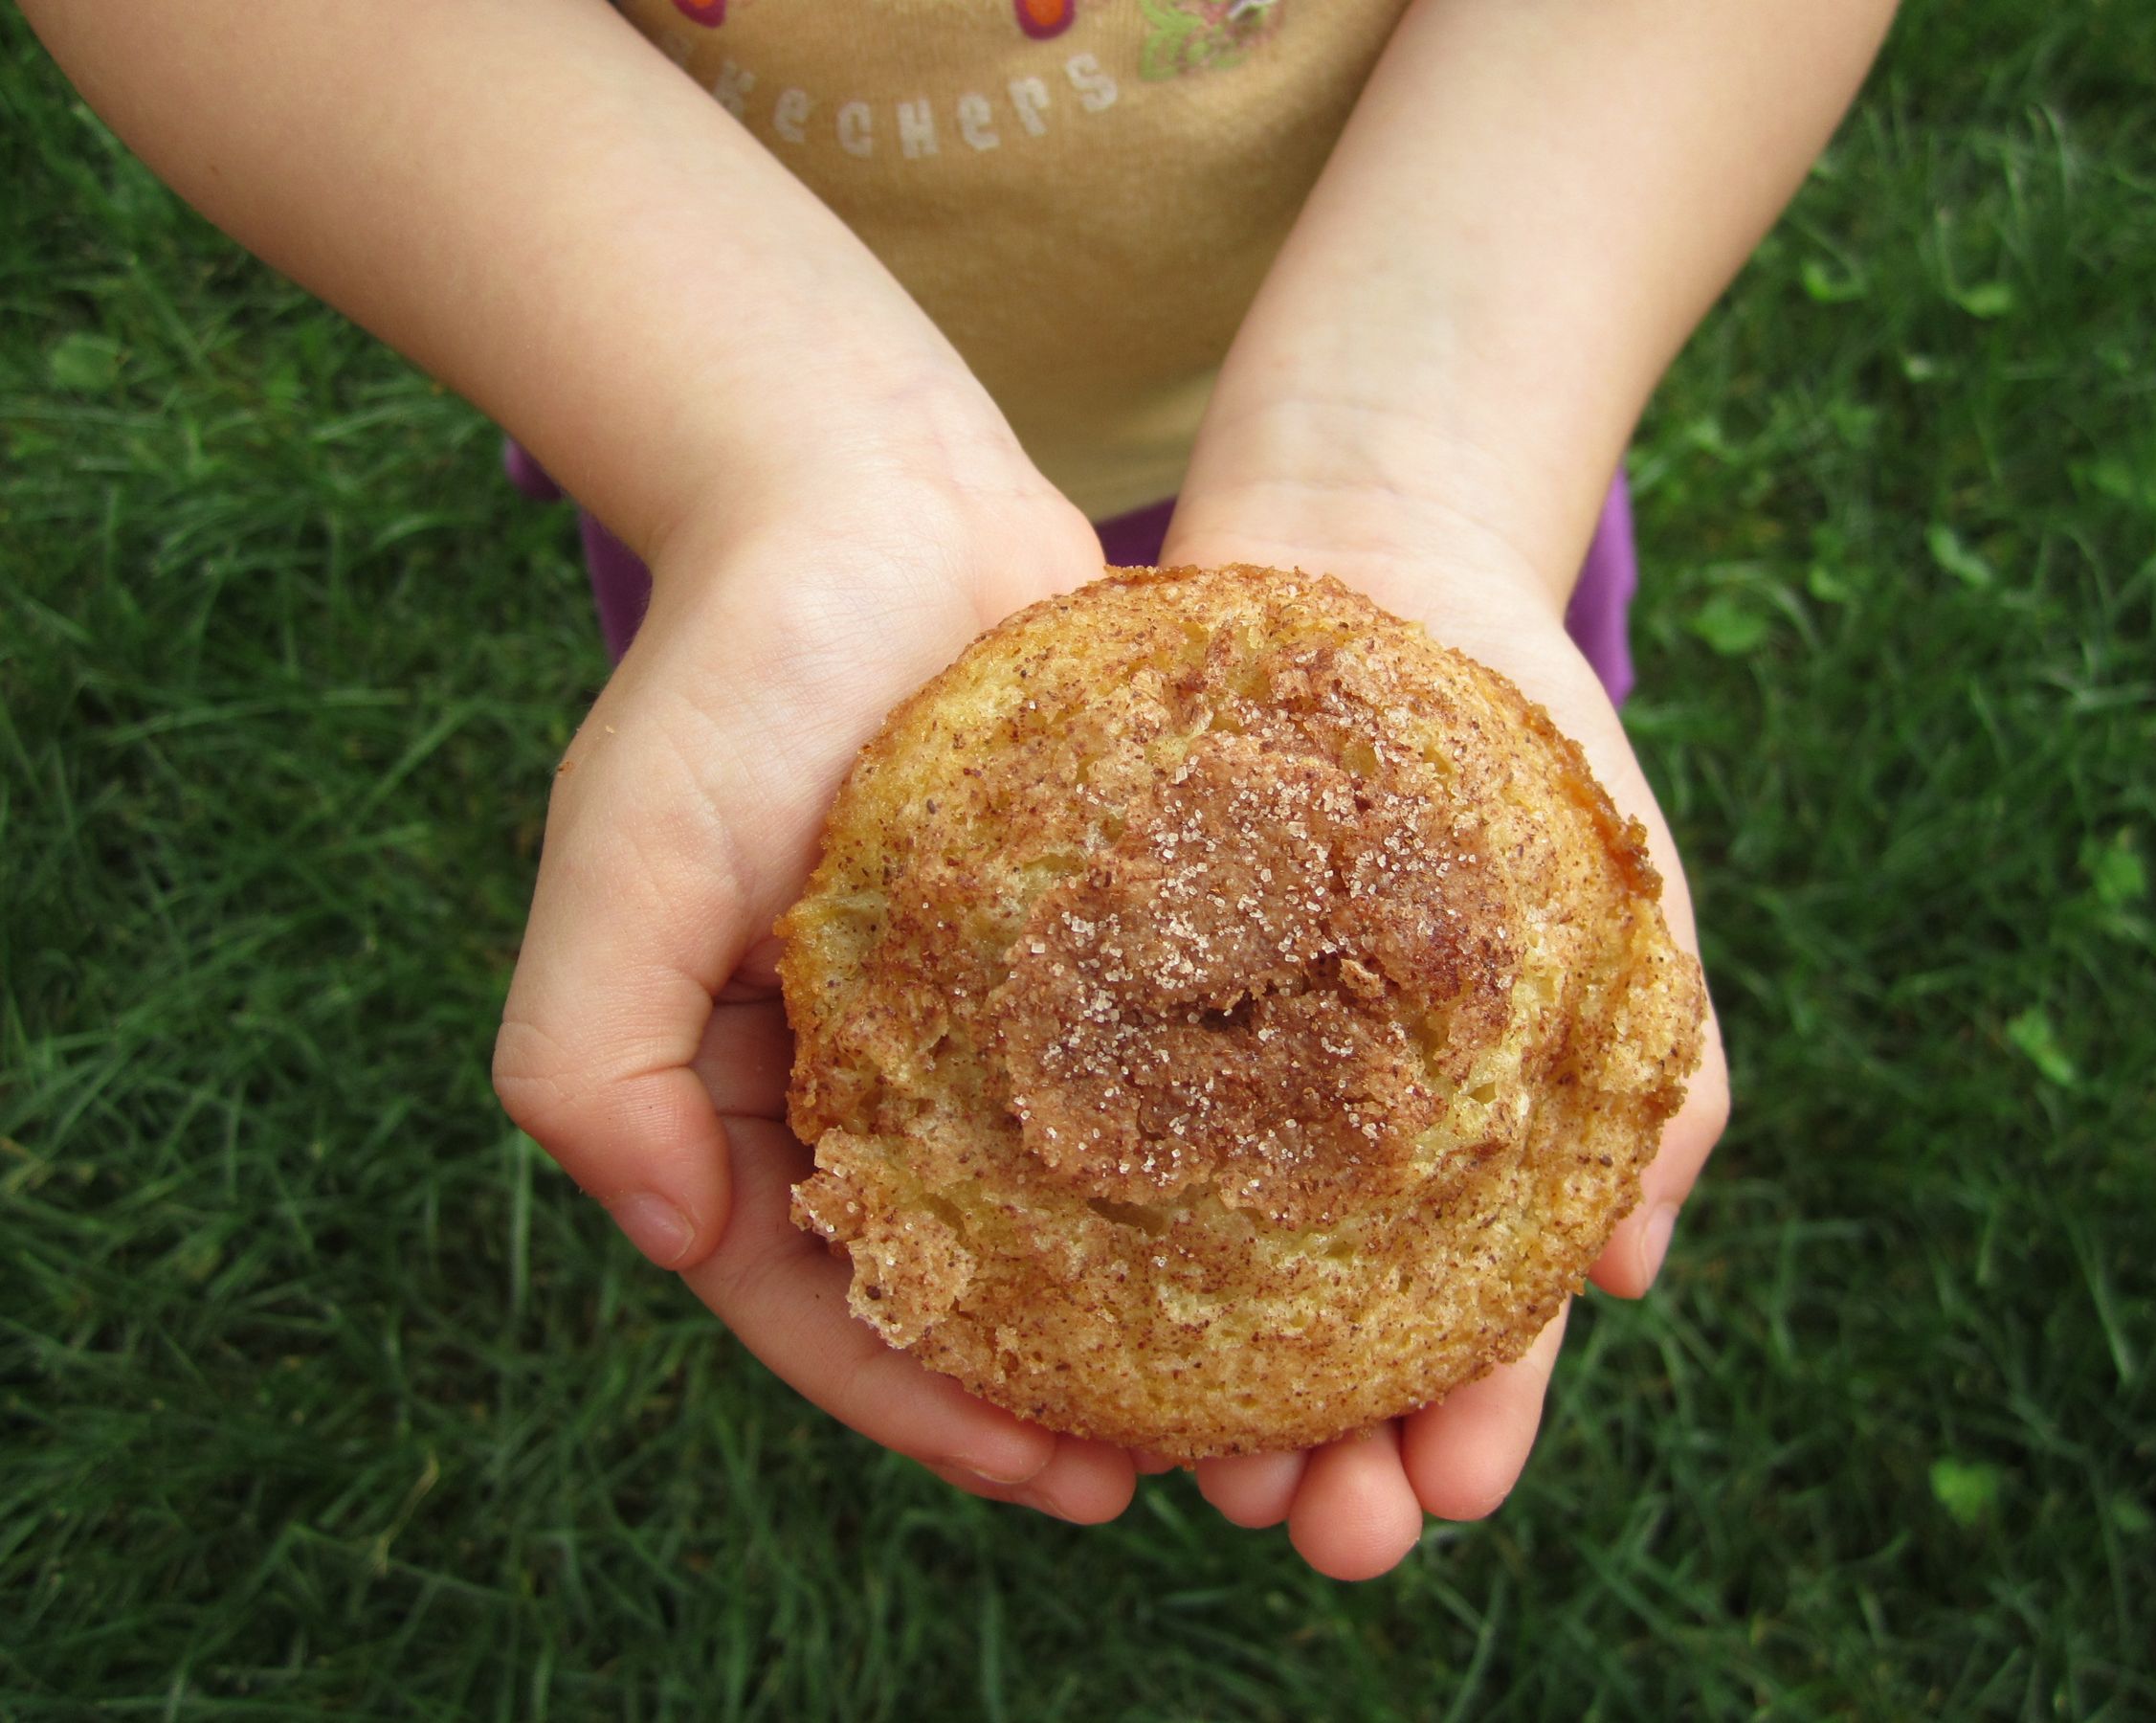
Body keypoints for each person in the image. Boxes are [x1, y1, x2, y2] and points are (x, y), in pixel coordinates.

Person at [25, 0, 1895, 1582]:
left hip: (1446, 376)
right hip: (698, 355)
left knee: (1444, 800)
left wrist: (1442, 451)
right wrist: (773, 459)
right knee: (782, 786)